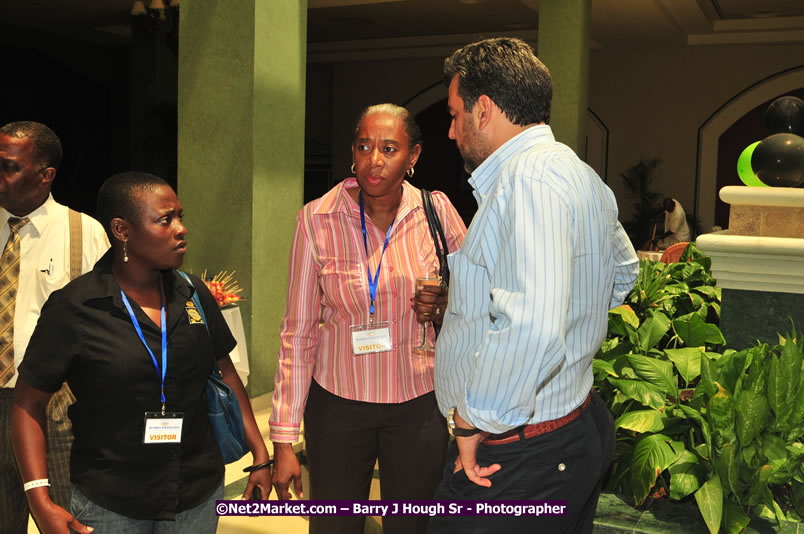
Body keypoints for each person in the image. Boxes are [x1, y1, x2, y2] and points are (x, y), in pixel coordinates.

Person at [430, 37, 639, 533]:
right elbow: (624, 272)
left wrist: (472, 420)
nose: (452, 129)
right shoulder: (578, 172)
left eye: (457, 114)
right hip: (570, 428)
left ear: (485, 110)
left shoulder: (526, 182)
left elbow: (532, 326)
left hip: (518, 451)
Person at [11, 172, 271, 534]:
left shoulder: (193, 293)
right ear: (122, 230)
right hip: (110, 503)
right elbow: (27, 404)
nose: (180, 229)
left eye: (180, 217)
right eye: (165, 220)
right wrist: (39, 500)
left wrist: (260, 453)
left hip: (195, 494)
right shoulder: (75, 307)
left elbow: (224, 372)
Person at [270, 103, 467, 534]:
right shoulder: (316, 220)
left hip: (418, 403)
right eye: (364, 146)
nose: (374, 160)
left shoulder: (437, 213)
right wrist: (284, 437)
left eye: (389, 148)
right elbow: (298, 331)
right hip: (338, 406)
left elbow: (477, 299)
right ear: (352, 153)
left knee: (412, 527)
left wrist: (446, 301)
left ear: (412, 156)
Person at [0, 121, 109, 534]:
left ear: (46, 175)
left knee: (69, 522)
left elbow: (105, 327)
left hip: (57, 407)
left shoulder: (84, 232)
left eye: (8, 167)